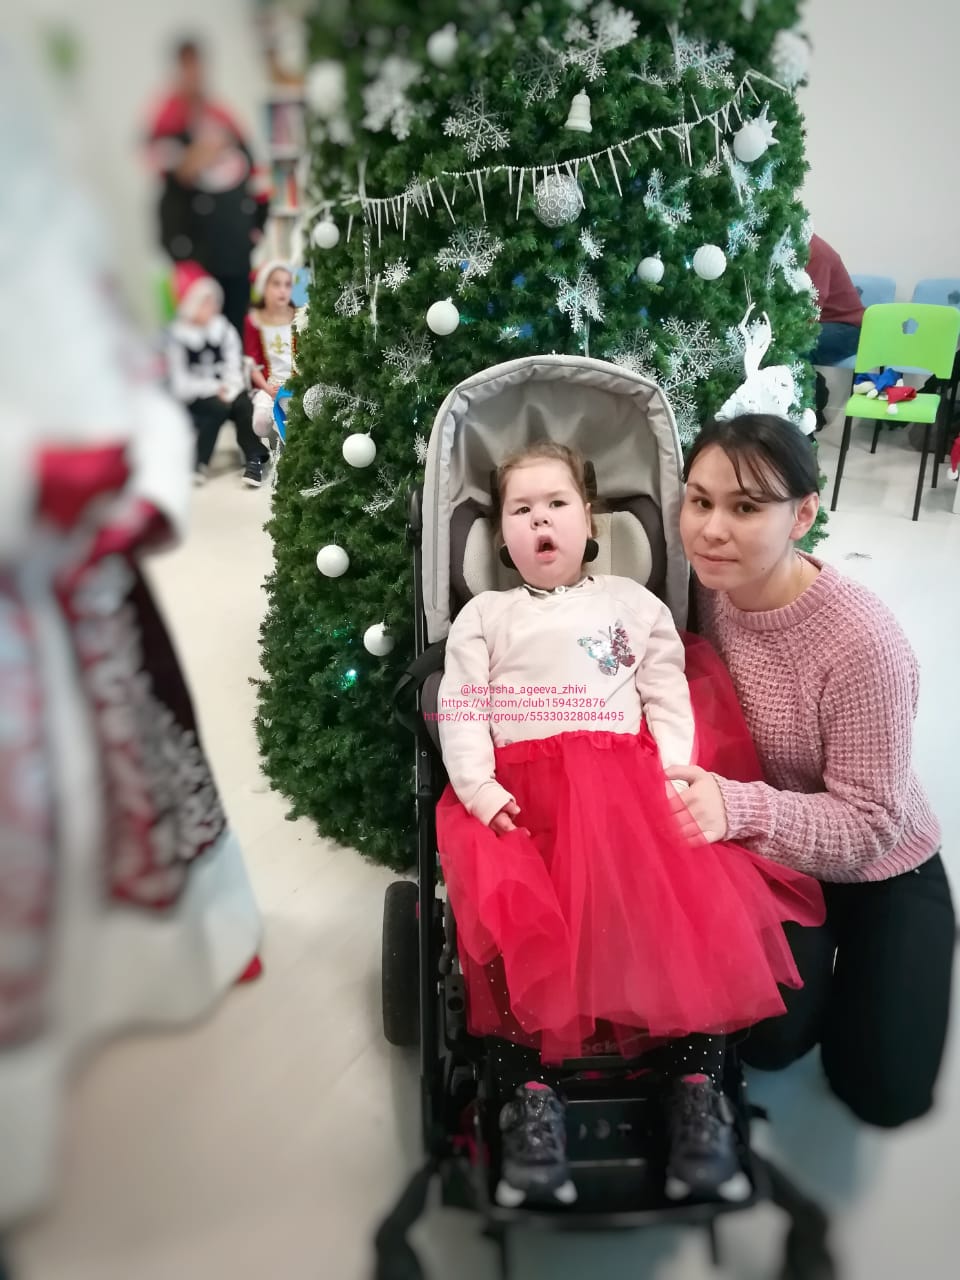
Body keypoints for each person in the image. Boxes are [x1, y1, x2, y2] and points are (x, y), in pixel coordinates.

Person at [0, 44, 262, 1237]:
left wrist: (144, 475)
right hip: (26, 579)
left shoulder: (56, 223)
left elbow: (122, 358)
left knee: (139, 765)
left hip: (89, 571)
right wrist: (32, 479)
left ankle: (167, 956)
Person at [435, 441, 824, 1209]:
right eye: (521, 510)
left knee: (683, 914)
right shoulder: (485, 615)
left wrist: (673, 773)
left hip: (626, 793)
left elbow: (667, 693)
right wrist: (478, 788)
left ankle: (695, 1090)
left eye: (557, 505)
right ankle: (529, 1100)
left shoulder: (633, 605)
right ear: (500, 535)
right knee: (514, 925)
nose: (540, 521)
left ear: (590, 521)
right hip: (520, 803)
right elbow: (463, 706)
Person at [671, 413, 954, 1130]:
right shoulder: (697, 589)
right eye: (699, 501)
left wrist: (739, 808)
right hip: (773, 856)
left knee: (883, 1092)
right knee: (768, 1043)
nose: (711, 530)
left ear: (802, 516)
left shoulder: (861, 643)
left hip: (882, 859)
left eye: (745, 508)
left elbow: (870, 822)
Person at [145, 39, 271, 335]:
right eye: (187, 67)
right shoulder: (167, 116)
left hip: (237, 247)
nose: (194, 74)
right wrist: (189, 160)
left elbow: (250, 165)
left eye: (197, 66)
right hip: (197, 250)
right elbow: (157, 163)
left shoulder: (219, 114)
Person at [166, 260, 270, 487]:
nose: (212, 306)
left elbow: (233, 365)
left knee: (244, 405)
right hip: (198, 395)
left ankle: (254, 457)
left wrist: (230, 389)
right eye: (205, 302)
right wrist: (215, 390)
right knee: (216, 409)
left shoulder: (222, 329)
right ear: (190, 306)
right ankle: (199, 460)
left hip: (228, 389)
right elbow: (181, 382)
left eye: (213, 300)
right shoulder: (179, 337)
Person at [806, 233, 865, 428]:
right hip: (822, 324)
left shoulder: (816, 253)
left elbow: (810, 310)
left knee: (794, 345)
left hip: (848, 328)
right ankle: (814, 399)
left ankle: (808, 414)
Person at [243, 260, 300, 441]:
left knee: (295, 416)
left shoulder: (300, 316)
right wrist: (267, 388)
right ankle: (273, 443)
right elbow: (252, 362)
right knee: (260, 423)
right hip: (270, 383)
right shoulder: (254, 321)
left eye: (287, 285)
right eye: (276, 284)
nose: (283, 290)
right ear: (264, 287)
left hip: (297, 383)